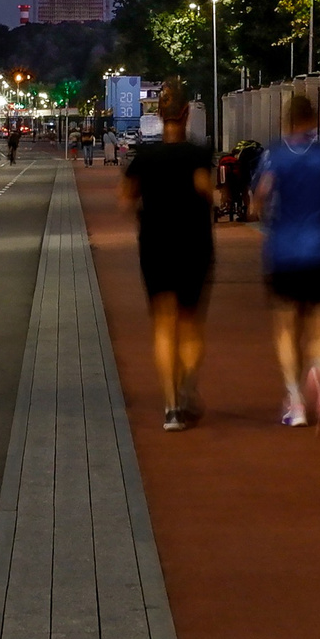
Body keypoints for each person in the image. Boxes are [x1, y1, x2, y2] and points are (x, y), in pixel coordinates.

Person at [253, 89, 320, 428]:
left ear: (286, 121)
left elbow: (260, 198)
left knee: (285, 327)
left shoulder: (275, 155)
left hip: (283, 250)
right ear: (312, 120)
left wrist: (270, 222)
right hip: (319, 250)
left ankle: (295, 400)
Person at [119, 82, 215, 432]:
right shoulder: (197, 154)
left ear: (158, 114)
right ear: (187, 113)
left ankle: (171, 408)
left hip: (155, 246)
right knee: (190, 323)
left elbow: (125, 199)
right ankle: (188, 384)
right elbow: (207, 191)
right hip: (194, 244)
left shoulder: (145, 158)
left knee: (163, 324)